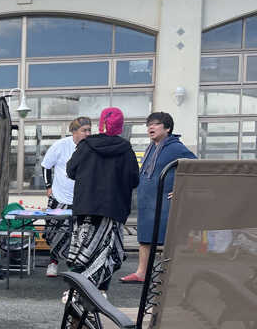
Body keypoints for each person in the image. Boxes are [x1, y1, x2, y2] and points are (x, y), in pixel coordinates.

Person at [64, 106, 140, 290]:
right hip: (113, 209)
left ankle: (78, 289)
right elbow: (134, 179)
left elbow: (71, 170)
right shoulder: (126, 149)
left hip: (86, 206)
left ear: (101, 124)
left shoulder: (86, 145)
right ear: (120, 127)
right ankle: (101, 289)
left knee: (83, 248)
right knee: (106, 250)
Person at [120, 110, 197, 283]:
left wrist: (181, 188)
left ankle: (171, 275)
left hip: (164, 203)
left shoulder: (176, 147)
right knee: (145, 239)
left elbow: (196, 168)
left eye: (155, 124)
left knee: (168, 240)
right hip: (148, 202)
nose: (150, 127)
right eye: (148, 125)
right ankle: (141, 273)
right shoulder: (151, 147)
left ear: (167, 128)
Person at [40, 116, 92, 276]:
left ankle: (75, 266)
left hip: (81, 198)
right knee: (54, 231)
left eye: (90, 130)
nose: (88, 133)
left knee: (78, 233)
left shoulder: (91, 147)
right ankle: (53, 262)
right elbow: (46, 166)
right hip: (59, 196)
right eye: (85, 130)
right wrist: (48, 187)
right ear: (74, 132)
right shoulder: (61, 145)